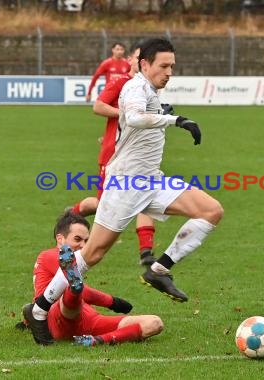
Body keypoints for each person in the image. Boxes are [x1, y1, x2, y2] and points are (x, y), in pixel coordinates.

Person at [25, 38, 223, 345]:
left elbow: (141, 118)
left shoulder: (151, 91)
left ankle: (158, 270)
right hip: (126, 185)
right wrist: (176, 120)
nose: (170, 71)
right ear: (144, 64)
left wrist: (162, 111)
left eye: (172, 66)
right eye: (164, 66)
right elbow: (131, 117)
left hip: (152, 181)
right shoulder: (134, 87)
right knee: (92, 254)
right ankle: (39, 309)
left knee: (211, 210)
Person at [71, 43, 161, 267]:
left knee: (145, 198)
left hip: (138, 156)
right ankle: (73, 213)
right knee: (105, 206)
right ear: (132, 60)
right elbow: (98, 106)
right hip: (114, 155)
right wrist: (127, 115)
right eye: (139, 58)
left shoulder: (149, 89)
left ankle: (146, 252)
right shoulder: (121, 82)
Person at [21, 211, 163, 346]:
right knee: (73, 290)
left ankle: (96, 341)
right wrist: (113, 302)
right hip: (58, 317)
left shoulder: (71, 259)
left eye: (86, 241)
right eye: (77, 239)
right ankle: (74, 288)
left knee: (154, 323)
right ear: (60, 238)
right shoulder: (50, 255)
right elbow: (86, 293)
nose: (83, 245)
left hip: (88, 319)